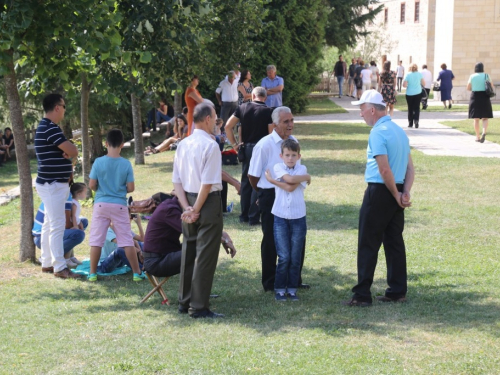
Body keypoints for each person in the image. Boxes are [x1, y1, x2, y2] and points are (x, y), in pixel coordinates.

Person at [343, 90, 414, 307]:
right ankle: (397, 290)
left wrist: (394, 194)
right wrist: (404, 192)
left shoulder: (378, 132)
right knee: (394, 241)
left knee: (368, 242)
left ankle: (362, 294)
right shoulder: (399, 131)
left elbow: (384, 170)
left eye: (362, 110)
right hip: (397, 189)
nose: (361, 114)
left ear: (372, 109)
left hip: (381, 191)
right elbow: (410, 167)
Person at [172, 102, 230, 319]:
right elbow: (207, 183)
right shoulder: (211, 145)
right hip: (206, 203)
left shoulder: (183, 144)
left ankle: (184, 300)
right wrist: (195, 209)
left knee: (189, 250)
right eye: (215, 118)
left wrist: (186, 206)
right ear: (207, 119)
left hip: (187, 199)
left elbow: (176, 180)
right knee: (205, 254)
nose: (216, 123)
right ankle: (198, 306)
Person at [248, 106, 308, 292]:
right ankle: (270, 282)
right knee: (272, 239)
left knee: (297, 237)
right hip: (270, 194)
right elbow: (253, 175)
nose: (290, 124)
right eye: (286, 121)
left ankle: (294, 280)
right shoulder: (264, 145)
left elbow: (297, 170)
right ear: (275, 124)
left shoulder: (294, 142)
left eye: (291, 120)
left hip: (292, 193)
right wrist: (262, 194)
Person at [87, 129, 145, 282]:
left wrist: (101, 188)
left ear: (106, 143)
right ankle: (136, 273)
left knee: (96, 240)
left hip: (101, 205)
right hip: (119, 205)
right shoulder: (126, 164)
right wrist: (119, 189)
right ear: (122, 144)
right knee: (126, 240)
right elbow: (131, 188)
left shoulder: (98, 162)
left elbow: (92, 184)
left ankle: (92, 273)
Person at [35, 93, 80, 279]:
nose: (64, 110)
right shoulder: (50, 128)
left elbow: (69, 152)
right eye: (64, 106)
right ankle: (60, 267)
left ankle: (46, 262)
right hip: (53, 184)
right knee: (57, 225)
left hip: (49, 183)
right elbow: (73, 150)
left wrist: (69, 155)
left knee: (48, 224)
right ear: (57, 107)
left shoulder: (45, 127)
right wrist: (70, 154)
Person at [142, 192, 236, 278]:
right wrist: (223, 240)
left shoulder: (172, 206)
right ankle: (197, 291)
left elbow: (201, 228)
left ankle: (198, 289)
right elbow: (197, 232)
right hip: (156, 262)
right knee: (203, 247)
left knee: (201, 246)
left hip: (164, 255)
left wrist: (223, 234)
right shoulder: (170, 210)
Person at [264, 139, 310, 301]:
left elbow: (290, 185)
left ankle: (291, 288)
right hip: (280, 217)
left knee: (295, 256)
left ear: (299, 156)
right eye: (287, 155)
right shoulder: (278, 167)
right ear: (281, 156)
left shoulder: (302, 168)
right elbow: (290, 183)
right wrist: (306, 177)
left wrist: (272, 182)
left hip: (298, 217)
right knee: (284, 256)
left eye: (293, 155)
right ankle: (279, 288)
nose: (290, 158)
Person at [225, 87, 274, 225]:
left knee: (246, 181)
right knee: (257, 181)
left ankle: (244, 215)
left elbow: (228, 126)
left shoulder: (242, 107)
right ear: (265, 97)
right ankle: (253, 217)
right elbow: (271, 134)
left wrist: (235, 144)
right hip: (261, 149)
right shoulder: (268, 111)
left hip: (246, 148)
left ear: (253, 95)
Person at [32, 193, 87, 269]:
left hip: (44, 235)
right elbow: (67, 225)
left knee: (83, 221)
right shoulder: (65, 195)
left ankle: (68, 256)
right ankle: (49, 256)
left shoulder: (59, 192)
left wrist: (77, 224)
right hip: (41, 238)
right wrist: (76, 226)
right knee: (78, 234)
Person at [467, 62, 494, 143]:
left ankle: (477, 137)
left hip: (475, 96)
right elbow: (491, 86)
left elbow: (468, 87)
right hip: (485, 96)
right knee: (485, 117)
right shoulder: (487, 75)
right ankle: (484, 133)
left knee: (476, 119)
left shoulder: (472, 76)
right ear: (483, 68)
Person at [403, 64, 425, 128]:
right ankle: (416, 121)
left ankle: (410, 122)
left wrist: (408, 85)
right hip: (418, 92)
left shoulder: (408, 75)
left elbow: (404, 85)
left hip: (409, 93)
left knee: (410, 108)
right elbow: (424, 83)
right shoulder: (419, 74)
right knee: (417, 107)